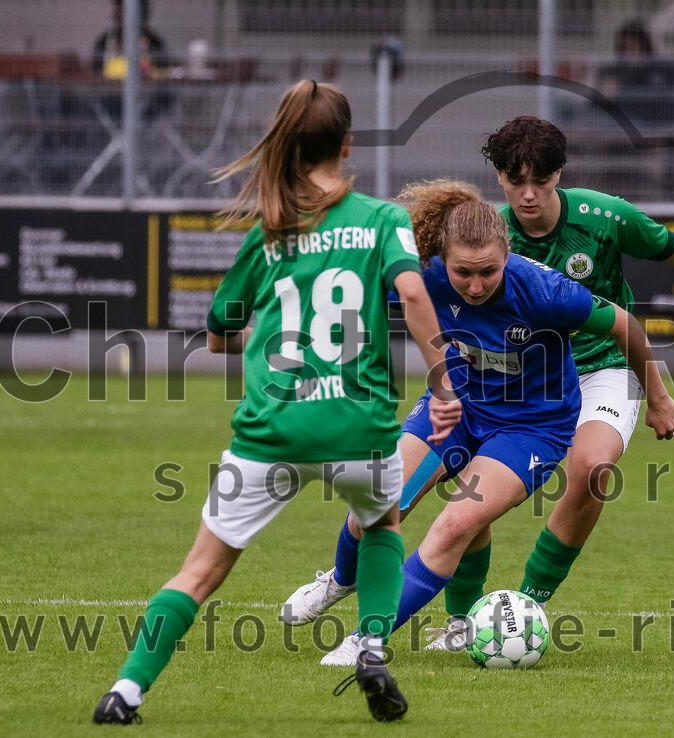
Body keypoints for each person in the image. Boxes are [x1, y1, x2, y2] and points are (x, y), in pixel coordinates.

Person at [91, 80, 459, 725]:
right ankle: (371, 646)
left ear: (289, 145)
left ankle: (125, 692)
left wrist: (270, 343)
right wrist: (442, 384)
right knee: (381, 526)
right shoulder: (381, 220)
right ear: (347, 145)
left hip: (272, 430)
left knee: (200, 571)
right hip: (359, 426)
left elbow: (218, 335)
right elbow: (413, 294)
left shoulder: (269, 230)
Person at [284, 178, 674, 665]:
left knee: (458, 522)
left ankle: (366, 639)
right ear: (443, 260)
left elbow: (625, 324)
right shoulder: (424, 274)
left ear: (507, 255)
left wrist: (658, 398)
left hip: (531, 427)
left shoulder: (545, 290)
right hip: (459, 406)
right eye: (463, 273)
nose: (475, 286)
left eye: (488, 272)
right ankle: (340, 580)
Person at [92, 0, 168, 80]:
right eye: (118, 8)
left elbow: (161, 74)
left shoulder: (154, 44)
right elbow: (96, 75)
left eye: (123, 10)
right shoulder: (104, 42)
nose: (117, 13)